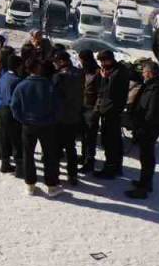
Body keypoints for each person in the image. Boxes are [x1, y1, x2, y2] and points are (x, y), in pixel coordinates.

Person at [11, 59, 62, 197]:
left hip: (28, 125)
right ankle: (51, 185)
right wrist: (52, 120)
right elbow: (58, 108)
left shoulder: (21, 86)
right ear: (39, 69)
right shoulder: (49, 86)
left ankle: (30, 185)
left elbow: (14, 107)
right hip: (47, 126)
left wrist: (23, 120)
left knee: (28, 154)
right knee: (49, 155)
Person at [124, 62, 159, 199]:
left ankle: (143, 188)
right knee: (146, 157)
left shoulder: (156, 89)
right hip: (147, 127)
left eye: (144, 72)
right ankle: (145, 182)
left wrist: (142, 128)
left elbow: (152, 113)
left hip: (149, 128)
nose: (143, 75)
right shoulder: (153, 85)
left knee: (147, 157)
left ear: (149, 73)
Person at [92, 50, 131, 179]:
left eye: (103, 61)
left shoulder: (116, 73)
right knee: (115, 141)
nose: (102, 64)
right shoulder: (118, 70)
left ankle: (110, 169)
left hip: (111, 111)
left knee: (110, 142)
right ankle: (117, 167)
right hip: (113, 110)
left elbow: (108, 92)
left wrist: (104, 79)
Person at [51, 49, 85, 186]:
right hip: (74, 115)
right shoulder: (79, 73)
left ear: (61, 61)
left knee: (56, 148)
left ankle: (55, 174)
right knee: (71, 148)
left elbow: (54, 97)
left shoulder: (59, 77)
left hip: (60, 118)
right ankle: (73, 175)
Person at [0, 53, 23, 175]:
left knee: (4, 138)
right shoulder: (17, 81)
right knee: (16, 140)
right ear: (17, 66)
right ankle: (20, 166)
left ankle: (5, 163)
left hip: (2, 109)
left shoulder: (2, 77)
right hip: (13, 111)